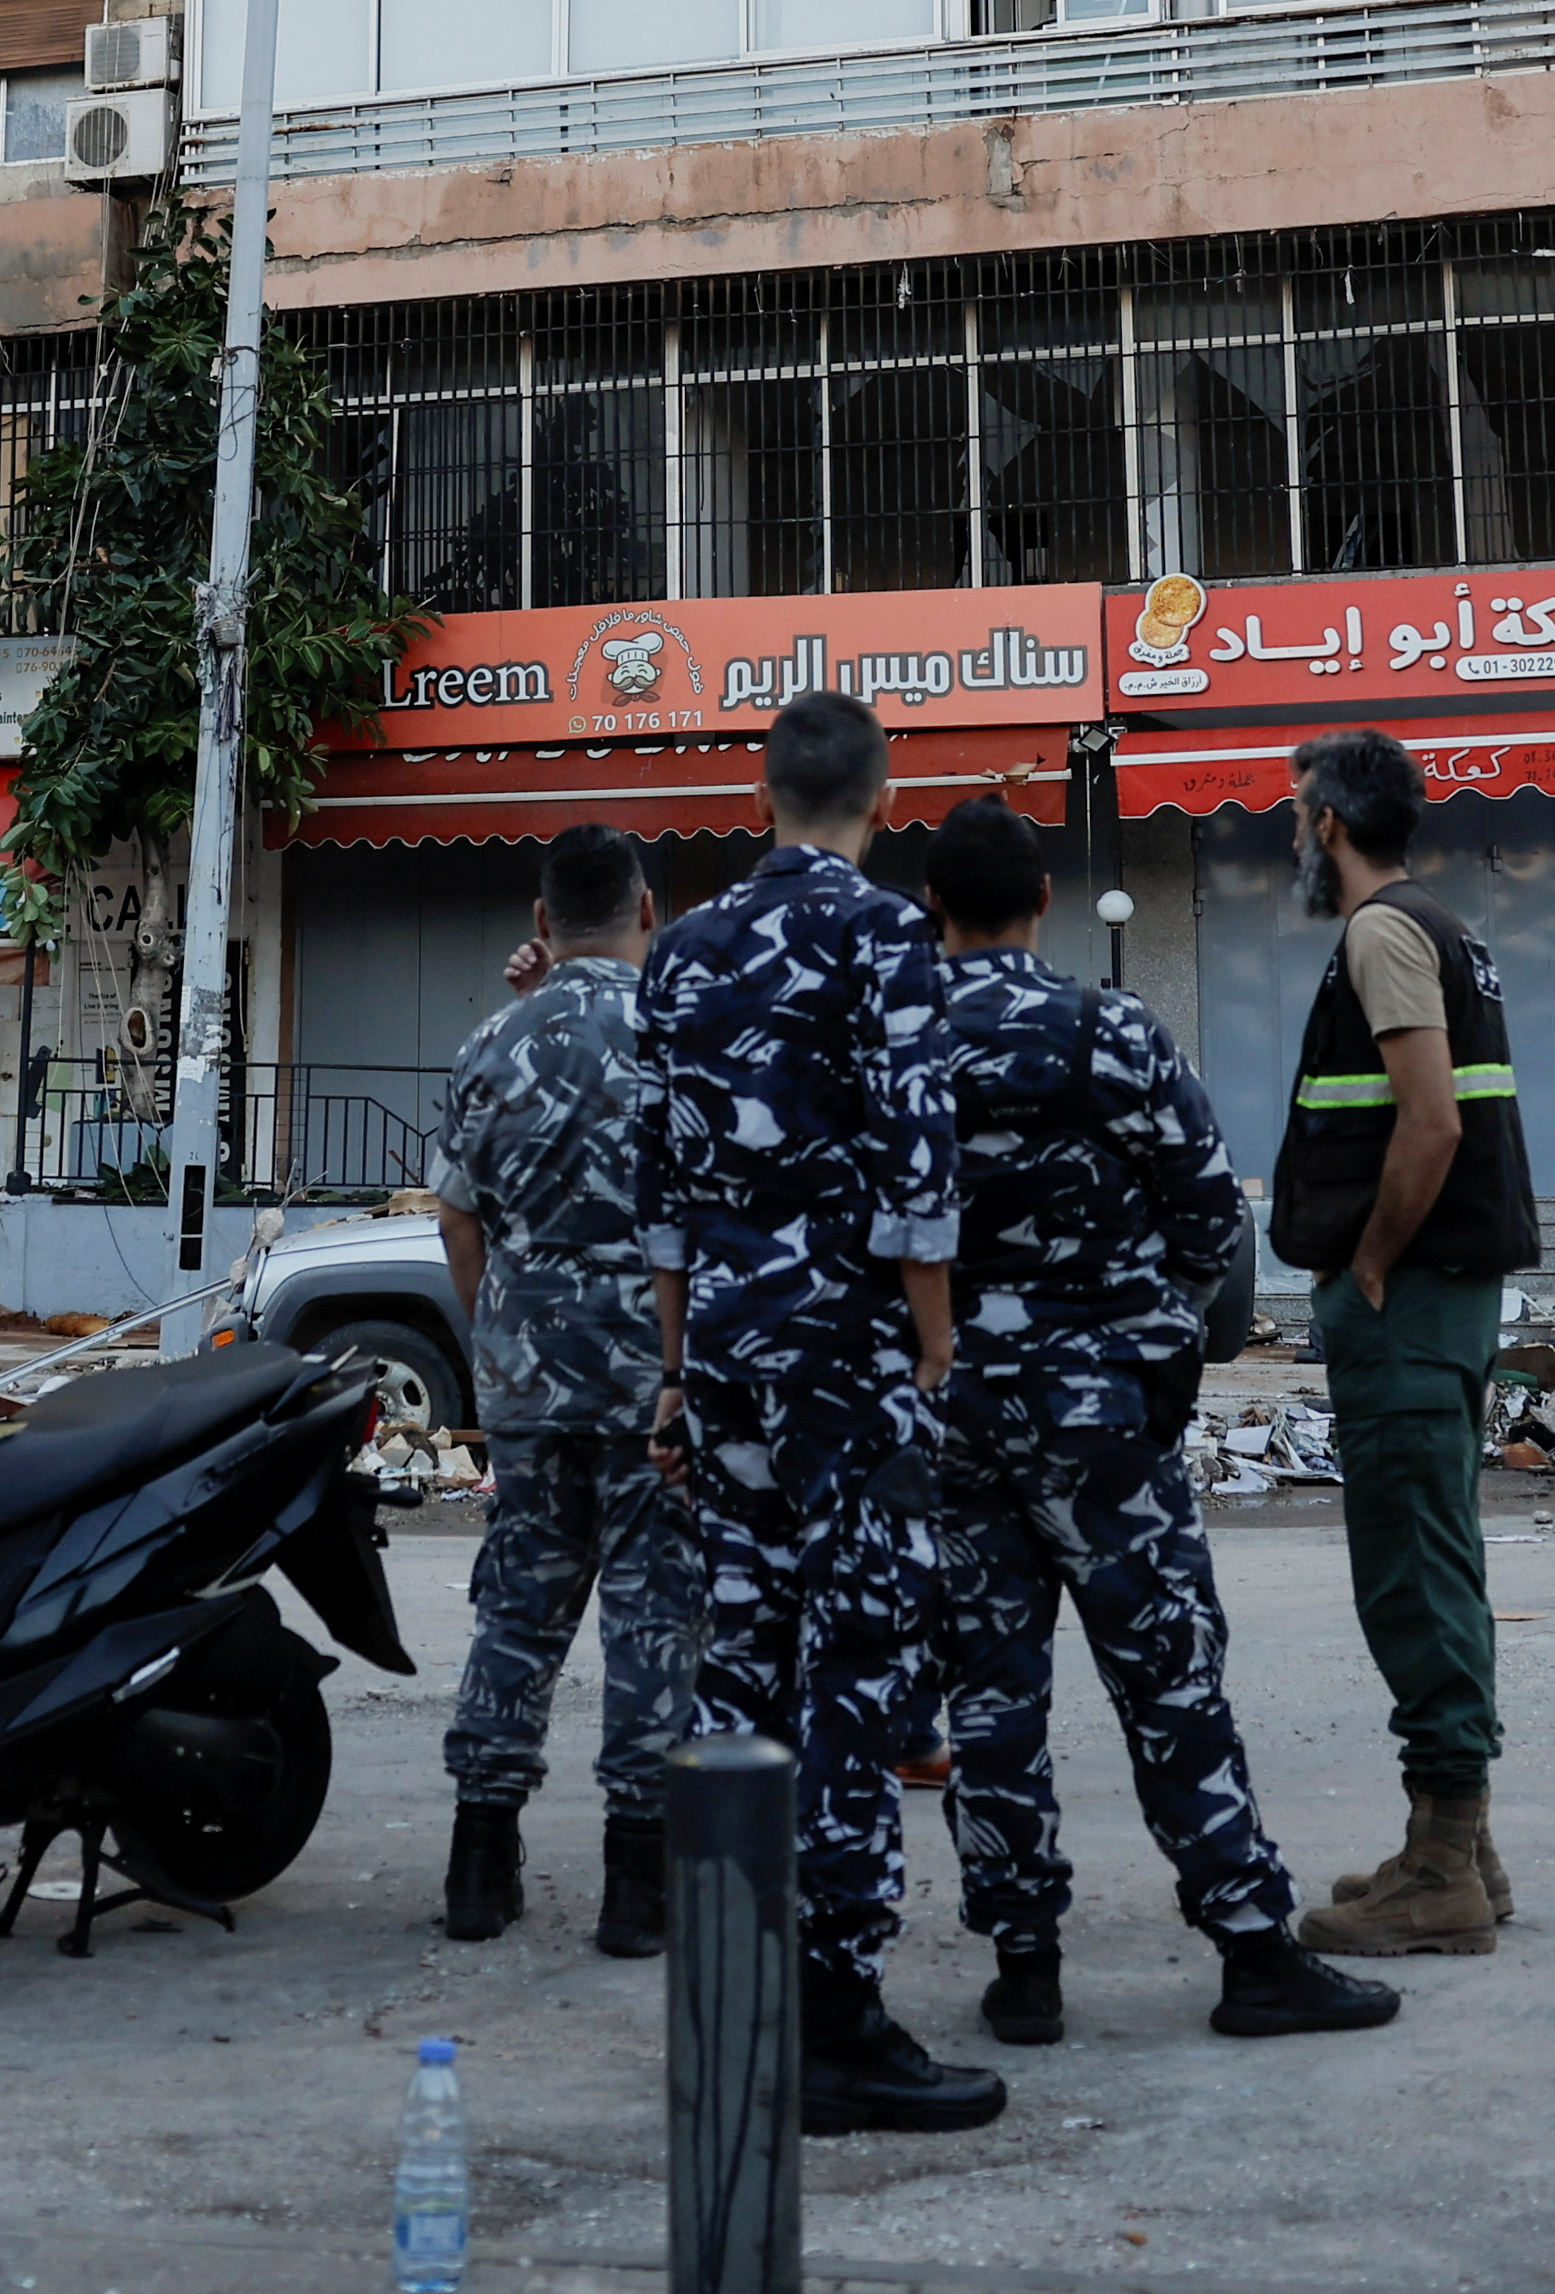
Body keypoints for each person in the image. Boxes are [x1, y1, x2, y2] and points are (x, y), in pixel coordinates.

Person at [923, 800, 1396, 2047]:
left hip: (954, 1414)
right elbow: (1206, 1213)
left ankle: (1023, 1964)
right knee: (1171, 1682)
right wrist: (1160, 1355)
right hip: (1104, 1421)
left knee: (987, 1694)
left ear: (934, 909)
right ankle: (1250, 1948)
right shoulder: (1110, 1029)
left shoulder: (889, 1042)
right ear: (1040, 902)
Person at [636, 692, 1000, 2135]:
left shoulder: (686, 948)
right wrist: (933, 1349)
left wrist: (675, 1367)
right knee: (856, 1674)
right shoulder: (886, 934)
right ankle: (838, 2026)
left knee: (744, 1664)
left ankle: (737, 1994)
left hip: (723, 1354)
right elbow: (921, 1161)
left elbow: (661, 1195)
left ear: (762, 787)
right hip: (850, 1359)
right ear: (884, 793)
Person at [1263, 726, 1535, 1959]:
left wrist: (1367, 1264)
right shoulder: (1441, 927)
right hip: (1442, 1297)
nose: (1294, 834)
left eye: (1296, 812)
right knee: (1441, 1553)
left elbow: (1426, 1124)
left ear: (1329, 819)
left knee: (1409, 1568)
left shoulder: (1382, 932)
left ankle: (1443, 1865)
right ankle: (1457, 1841)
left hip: (1409, 1297)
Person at [427, 821, 695, 1958]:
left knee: (518, 1616)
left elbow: (456, 1215)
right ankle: (636, 1890)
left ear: (540, 922)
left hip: (529, 1385)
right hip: (653, 1386)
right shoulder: (686, 1036)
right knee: (653, 1620)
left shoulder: (493, 1039)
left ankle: (479, 1870)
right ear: (648, 911)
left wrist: (502, 1343)